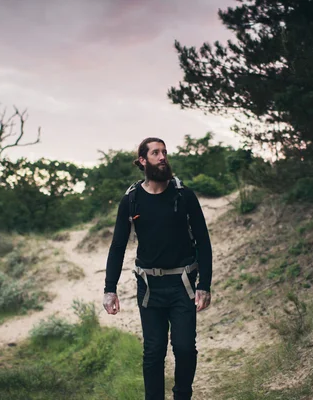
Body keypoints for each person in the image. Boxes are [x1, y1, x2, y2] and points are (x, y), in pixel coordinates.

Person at [103, 137, 213, 400]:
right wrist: (110, 289)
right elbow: (118, 246)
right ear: (143, 161)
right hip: (149, 287)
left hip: (182, 284)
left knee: (185, 348)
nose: (163, 157)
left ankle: (182, 395)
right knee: (154, 351)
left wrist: (204, 285)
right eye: (155, 153)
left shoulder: (184, 196)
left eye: (164, 152)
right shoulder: (131, 200)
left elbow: (203, 242)